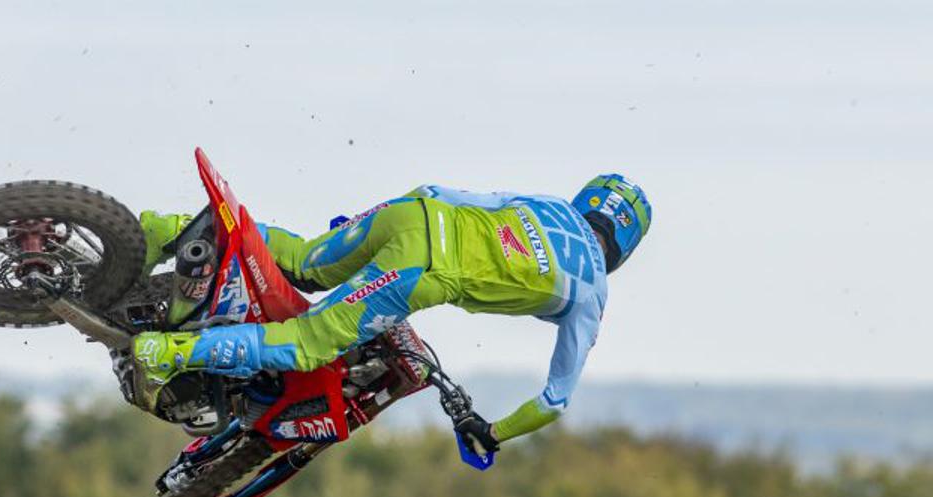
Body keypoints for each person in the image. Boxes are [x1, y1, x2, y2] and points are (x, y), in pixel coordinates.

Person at [130, 174, 651, 453]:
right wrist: (492, 432)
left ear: (586, 202)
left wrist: (366, 228)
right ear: (624, 249)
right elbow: (555, 401)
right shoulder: (591, 294)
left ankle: (169, 228)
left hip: (412, 214)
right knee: (307, 343)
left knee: (305, 264)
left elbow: (442, 192)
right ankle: (169, 353)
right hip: (420, 270)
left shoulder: (550, 206)